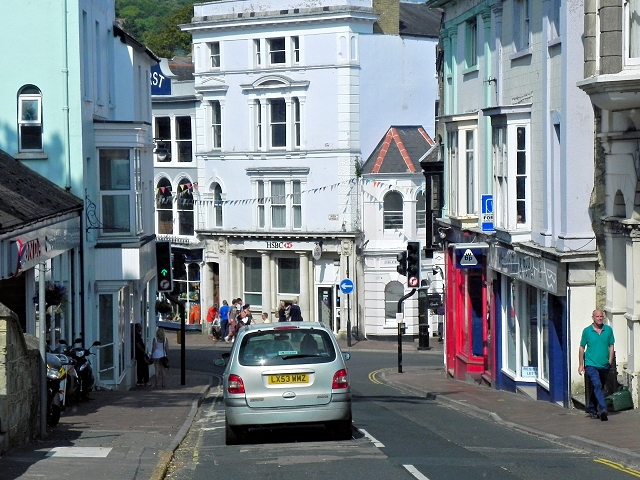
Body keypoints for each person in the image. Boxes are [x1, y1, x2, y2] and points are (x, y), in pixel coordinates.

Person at [578, 310, 615, 421]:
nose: (599, 318)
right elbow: (581, 347)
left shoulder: (608, 330)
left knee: (598, 387)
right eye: (597, 316)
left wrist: (610, 360)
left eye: (601, 316)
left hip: (604, 364)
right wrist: (581, 364)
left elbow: (611, 345)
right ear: (593, 318)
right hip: (590, 364)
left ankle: (592, 408)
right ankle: (603, 409)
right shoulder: (587, 331)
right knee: (597, 385)